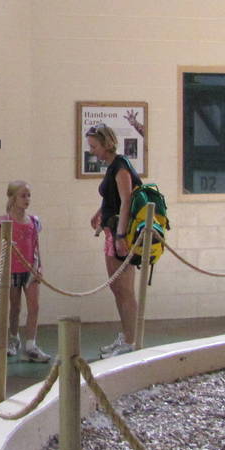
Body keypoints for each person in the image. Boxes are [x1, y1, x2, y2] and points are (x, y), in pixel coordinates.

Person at [85, 123, 141, 358]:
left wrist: (120, 235)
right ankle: (125, 335)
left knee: (125, 289)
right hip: (110, 232)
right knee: (116, 288)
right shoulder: (111, 167)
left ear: (105, 144)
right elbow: (113, 197)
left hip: (122, 235)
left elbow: (126, 201)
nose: (92, 151)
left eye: (94, 146)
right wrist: (100, 212)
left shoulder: (121, 167)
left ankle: (131, 340)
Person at [0, 181, 50, 363]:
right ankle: (13, 338)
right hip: (12, 270)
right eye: (23, 195)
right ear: (13, 198)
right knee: (15, 307)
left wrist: (39, 266)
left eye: (28, 195)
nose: (27, 199)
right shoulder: (4, 222)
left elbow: (36, 245)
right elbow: (0, 250)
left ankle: (31, 344)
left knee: (34, 306)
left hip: (30, 269)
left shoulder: (33, 221)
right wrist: (2, 272)